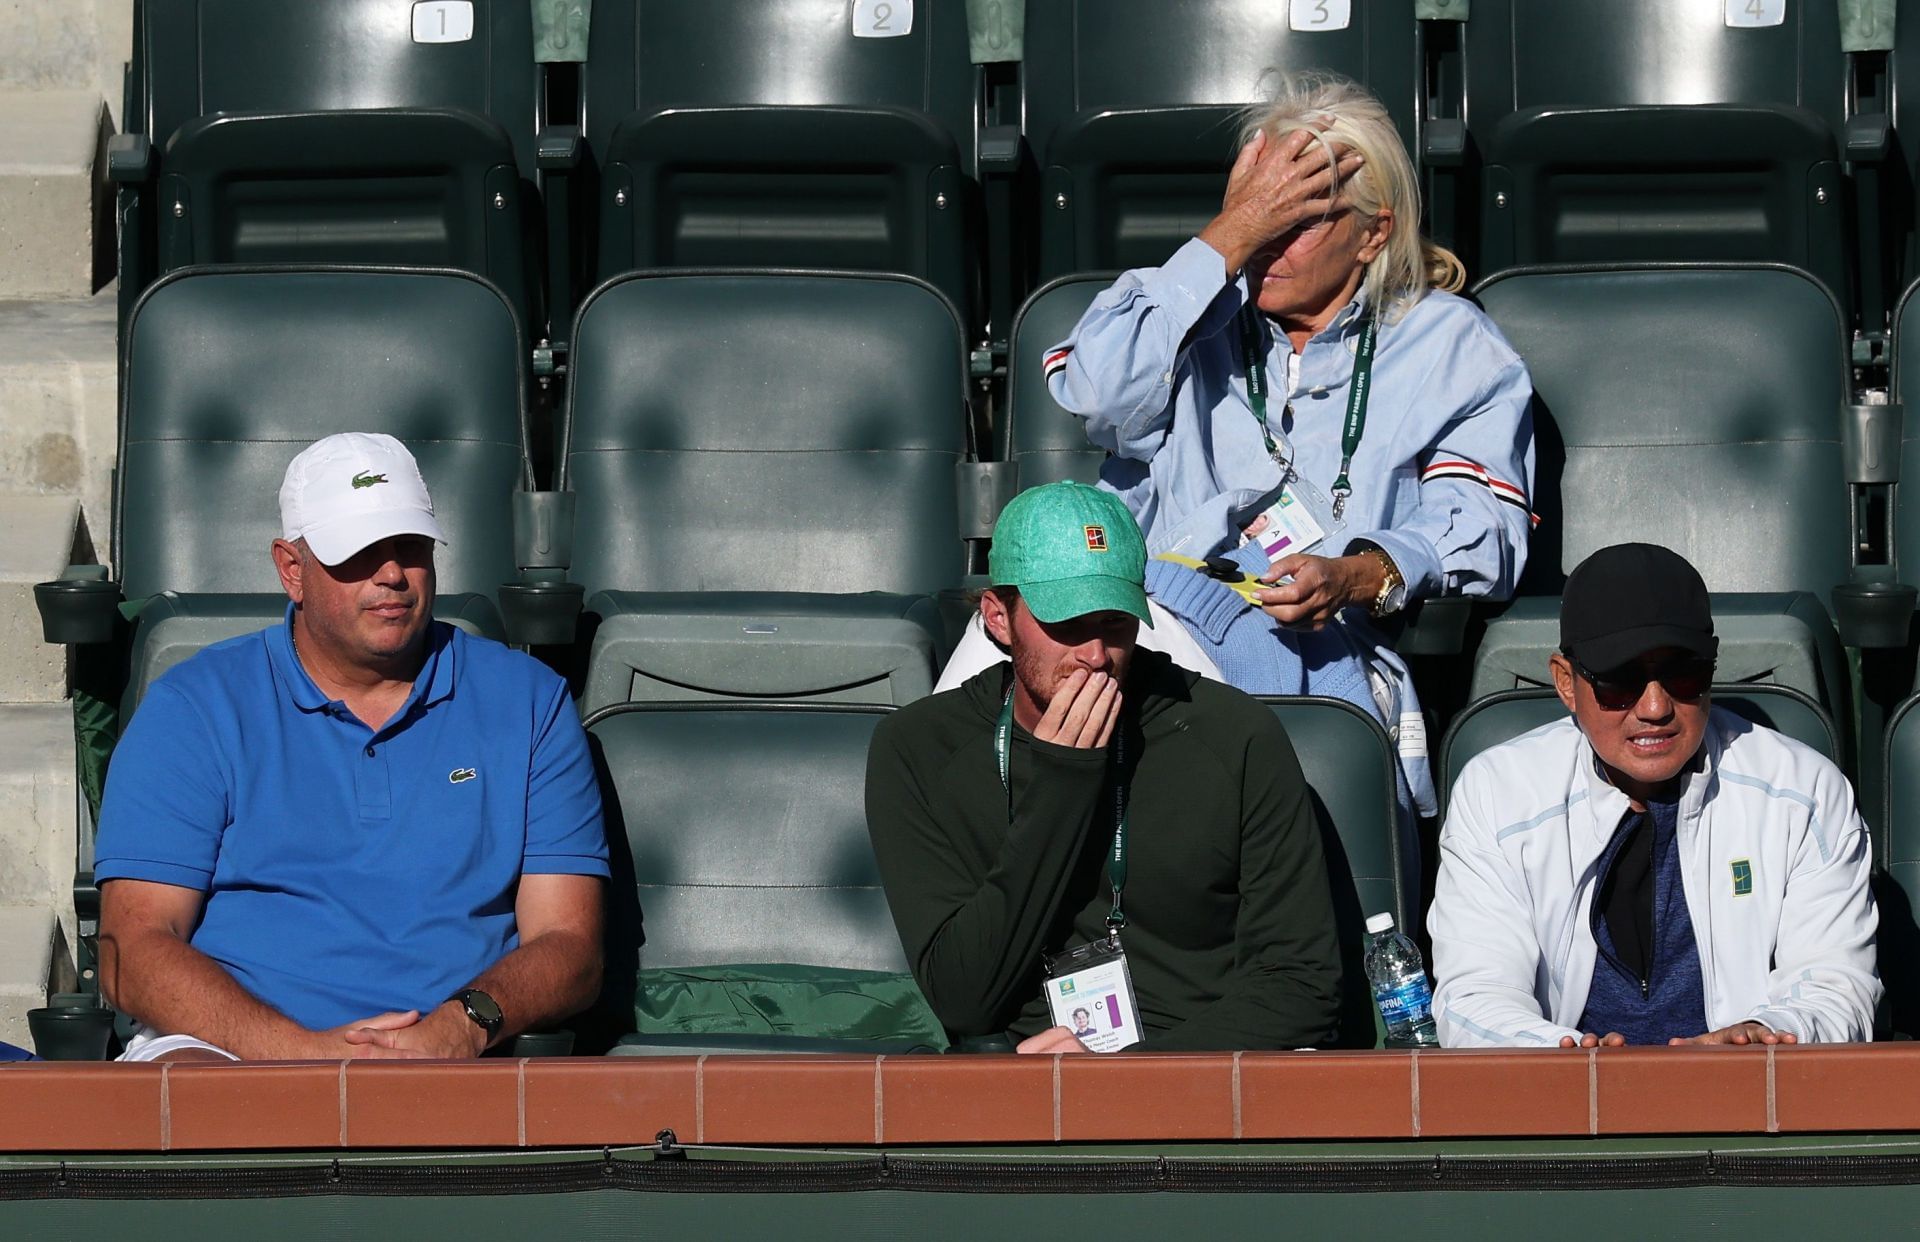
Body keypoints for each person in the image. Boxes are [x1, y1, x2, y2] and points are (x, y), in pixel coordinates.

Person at [938, 72, 1535, 822]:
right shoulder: (1190, 311)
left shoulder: (1450, 344)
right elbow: (1090, 388)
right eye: (1258, 213)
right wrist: (1227, 235)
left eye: (1297, 221)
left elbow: (1486, 526)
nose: (1266, 244)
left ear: (1373, 233)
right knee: (987, 672)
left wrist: (1359, 573)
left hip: (1311, 644)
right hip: (1142, 615)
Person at [93, 432, 609, 1062]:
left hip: (461, 1051)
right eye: (360, 552)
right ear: (291, 569)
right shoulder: (195, 708)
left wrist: (461, 1026)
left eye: (411, 548)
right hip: (230, 1047)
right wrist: (300, 1053)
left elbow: (569, 944)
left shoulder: (527, 702)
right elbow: (134, 947)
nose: (392, 574)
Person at [866, 482, 1343, 1052]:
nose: (1094, 654)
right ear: (998, 618)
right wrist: (1061, 783)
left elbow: (1302, 984)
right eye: (1066, 624)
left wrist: (1130, 1075)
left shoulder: (1234, 735)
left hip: (1198, 1084)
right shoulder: (919, 748)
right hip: (1022, 1087)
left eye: (1115, 622)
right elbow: (965, 997)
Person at [1429, 544, 1879, 1048]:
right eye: (1620, 679)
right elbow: (1473, 999)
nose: (1655, 706)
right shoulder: (1498, 792)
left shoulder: (1805, 791)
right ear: (1566, 683)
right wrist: (1561, 1062)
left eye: (1683, 671)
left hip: (1749, 1103)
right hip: (1565, 1107)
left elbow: (1838, 986)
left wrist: (1767, 1038)